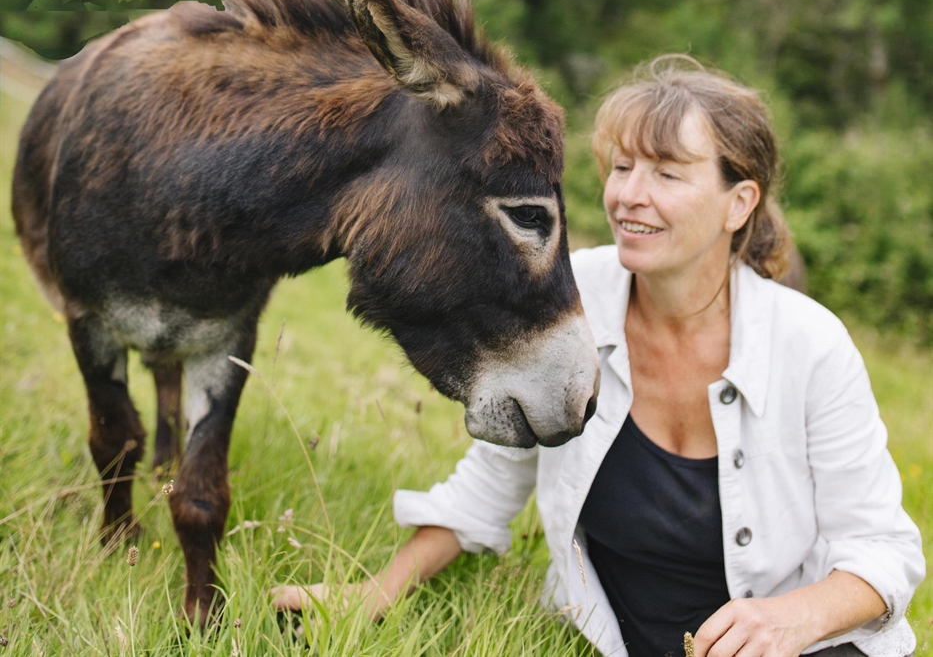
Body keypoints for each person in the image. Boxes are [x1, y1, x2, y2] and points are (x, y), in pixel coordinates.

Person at [272, 56, 924, 657]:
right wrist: (371, 594)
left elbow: (882, 550)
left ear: (738, 203)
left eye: (666, 173)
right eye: (620, 166)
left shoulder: (809, 344)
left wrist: (792, 618)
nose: (628, 194)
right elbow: (491, 484)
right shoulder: (570, 296)